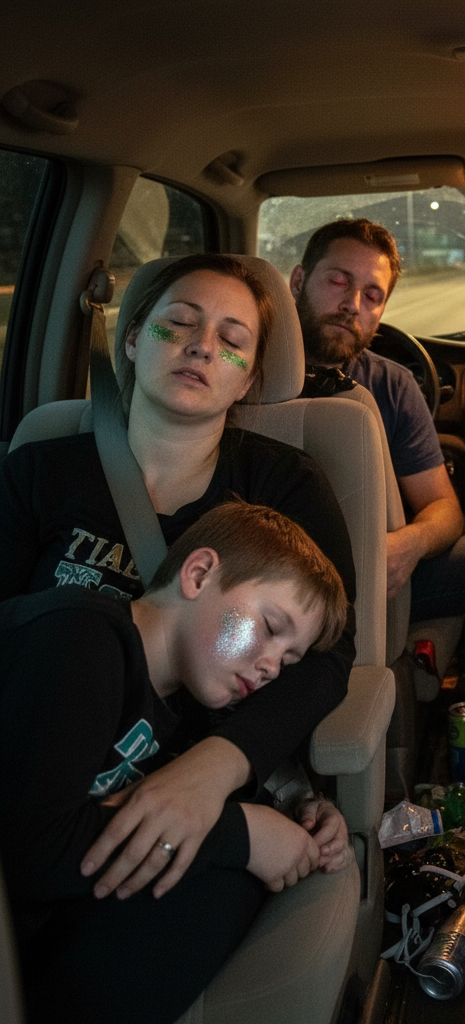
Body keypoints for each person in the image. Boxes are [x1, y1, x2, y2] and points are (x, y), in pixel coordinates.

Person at [0, 252, 358, 902]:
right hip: (43, 783)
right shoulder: (38, 474)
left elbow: (324, 659)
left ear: (250, 375)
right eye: (179, 324)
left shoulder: (286, 486)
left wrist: (227, 771)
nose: (201, 347)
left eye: (232, 340)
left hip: (205, 789)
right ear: (134, 339)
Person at [2, 500, 352, 1024]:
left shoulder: (191, 706)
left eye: (289, 659)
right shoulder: (79, 637)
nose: (272, 666)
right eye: (270, 626)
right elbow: (26, 853)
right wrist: (241, 835)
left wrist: (303, 806)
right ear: (199, 573)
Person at [289, 217, 465, 671]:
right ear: (298, 281)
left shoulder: (392, 385)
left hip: (375, 574)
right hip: (278, 576)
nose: (352, 305)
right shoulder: (241, 367)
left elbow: (446, 511)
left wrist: (410, 544)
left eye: (372, 295)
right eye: (338, 281)